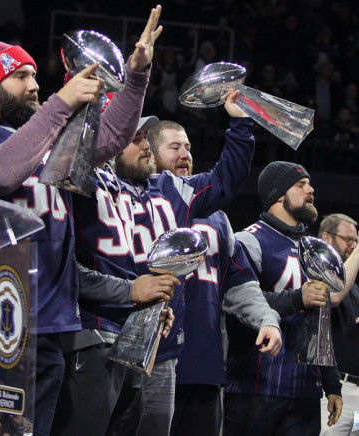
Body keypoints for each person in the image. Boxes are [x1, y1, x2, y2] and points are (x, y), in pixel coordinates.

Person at [0, 7, 162, 435]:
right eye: (21, 76)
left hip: (51, 324)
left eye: (35, 76)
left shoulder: (43, 140)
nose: (35, 85)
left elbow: (110, 139)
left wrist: (135, 77)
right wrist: (61, 104)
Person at [103, 92, 257, 436]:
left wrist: (240, 124)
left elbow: (224, 181)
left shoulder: (170, 187)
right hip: (106, 338)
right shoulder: (96, 187)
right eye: (136, 138)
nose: (144, 146)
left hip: (162, 348)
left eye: (146, 138)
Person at [147, 122, 283, 436]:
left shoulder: (217, 216)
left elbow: (239, 281)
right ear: (151, 154)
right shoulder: (146, 203)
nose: (185, 155)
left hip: (203, 362)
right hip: (152, 357)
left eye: (188, 148)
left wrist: (266, 320)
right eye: (174, 148)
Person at [224, 161, 359, 436]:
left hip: (305, 391)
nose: (311, 189)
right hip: (256, 387)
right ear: (278, 194)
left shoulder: (314, 249)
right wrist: (297, 299)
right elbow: (240, 303)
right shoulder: (248, 240)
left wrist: (331, 384)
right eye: (300, 184)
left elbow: (321, 320)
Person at [50, 116, 180, 436]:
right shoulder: (75, 173)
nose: (146, 145)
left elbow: (123, 266)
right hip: (89, 335)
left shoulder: (120, 185)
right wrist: (130, 292)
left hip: (127, 341)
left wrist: (147, 308)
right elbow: (60, 267)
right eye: (134, 135)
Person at [318, 213, 359, 435]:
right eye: (349, 240)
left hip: (358, 389)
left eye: (356, 240)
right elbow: (334, 296)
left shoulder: (354, 288)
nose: (354, 246)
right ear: (327, 238)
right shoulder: (318, 275)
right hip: (333, 390)